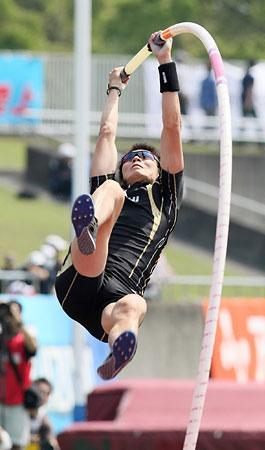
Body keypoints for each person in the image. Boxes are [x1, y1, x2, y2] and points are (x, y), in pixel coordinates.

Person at [55, 31, 184, 380]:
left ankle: (119, 350)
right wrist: (115, 89)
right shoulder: (112, 186)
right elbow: (107, 135)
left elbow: (171, 128)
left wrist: (164, 62)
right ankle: (88, 227)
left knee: (135, 307)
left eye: (145, 157)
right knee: (109, 190)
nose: (136, 158)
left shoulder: (167, 197)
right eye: (130, 157)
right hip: (83, 274)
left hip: (112, 301)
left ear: (160, 170)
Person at [0, 300, 37, 450]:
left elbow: (33, 348)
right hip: (1, 401)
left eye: (13, 312)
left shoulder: (23, 339)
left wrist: (18, 322)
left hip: (18, 402)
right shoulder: (1, 338)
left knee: (16, 445)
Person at [27, 378, 60, 450]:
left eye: (45, 393)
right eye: (39, 391)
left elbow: (49, 436)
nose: (41, 396)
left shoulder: (42, 414)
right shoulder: (20, 410)